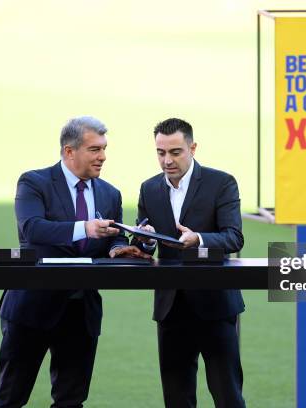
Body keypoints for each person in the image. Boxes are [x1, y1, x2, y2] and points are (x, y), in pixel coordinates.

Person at [0, 116, 149, 408]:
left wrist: (118, 248)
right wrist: (85, 227)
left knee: (71, 401)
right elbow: (32, 229)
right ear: (69, 151)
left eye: (104, 148)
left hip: (81, 312)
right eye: (94, 149)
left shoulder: (109, 193)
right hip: (31, 308)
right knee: (10, 399)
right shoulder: (34, 182)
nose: (102, 156)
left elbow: (112, 237)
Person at [134, 118, 246, 407]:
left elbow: (234, 238)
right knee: (176, 398)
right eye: (161, 153)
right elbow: (142, 239)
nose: (167, 160)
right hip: (171, 308)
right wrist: (144, 240)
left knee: (228, 396)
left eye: (175, 152)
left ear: (192, 148)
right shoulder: (149, 189)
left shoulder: (221, 183)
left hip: (216, 306)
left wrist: (199, 239)